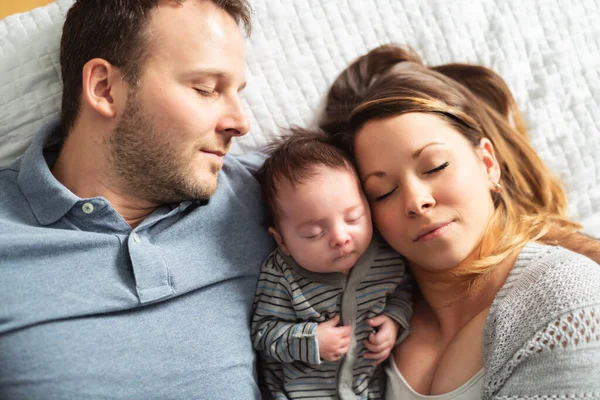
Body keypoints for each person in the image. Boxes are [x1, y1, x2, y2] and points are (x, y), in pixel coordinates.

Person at [0, 1, 274, 399]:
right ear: (104, 88)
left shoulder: (271, 193)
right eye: (206, 89)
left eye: (237, 92)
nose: (241, 122)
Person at [318, 44, 600, 398]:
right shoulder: (372, 325)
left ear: (487, 163)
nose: (417, 202)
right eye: (383, 192)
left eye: (435, 167)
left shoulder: (568, 294)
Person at [251, 130, 412, 399]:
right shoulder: (282, 276)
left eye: (353, 218)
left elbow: (403, 293)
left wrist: (394, 321)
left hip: (367, 390)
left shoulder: (387, 257)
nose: (340, 237)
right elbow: (263, 333)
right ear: (282, 241)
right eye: (314, 233)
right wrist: (310, 339)